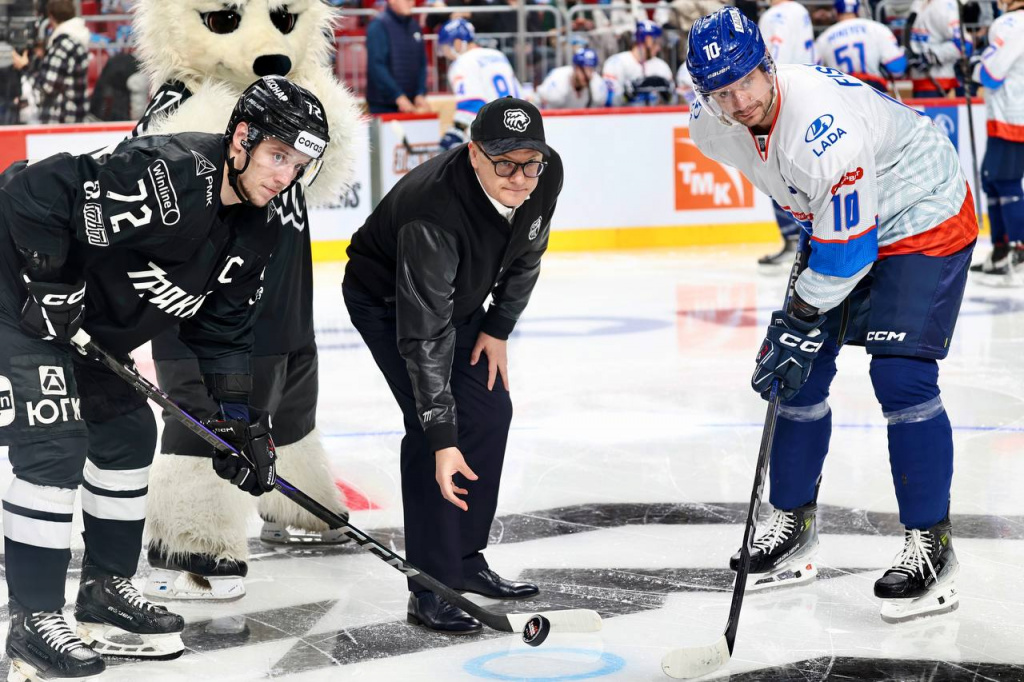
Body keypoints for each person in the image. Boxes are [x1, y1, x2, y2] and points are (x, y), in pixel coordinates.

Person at [0, 75, 330, 679]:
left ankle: (105, 588)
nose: (286, 174)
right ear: (242, 138)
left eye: (300, 163)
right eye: (278, 155)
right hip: (14, 301)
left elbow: (224, 331)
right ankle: (32, 619)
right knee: (53, 447)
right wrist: (49, 280)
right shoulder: (172, 177)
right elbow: (30, 191)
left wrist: (237, 423)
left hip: (83, 329)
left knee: (126, 434)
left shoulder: (259, 227)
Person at [687, 8, 976, 623]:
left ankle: (933, 549)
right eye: (721, 92)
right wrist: (800, 321)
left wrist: (797, 311)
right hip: (840, 220)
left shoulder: (821, 126)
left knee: (901, 377)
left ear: (768, 67)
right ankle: (792, 524)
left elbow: (849, 256)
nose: (738, 102)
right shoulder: (709, 128)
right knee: (801, 372)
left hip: (921, 208)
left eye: (746, 82)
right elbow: (812, 207)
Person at [343, 97, 563, 633]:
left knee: (490, 412)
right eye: (504, 163)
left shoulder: (544, 174)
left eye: (529, 161)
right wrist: (443, 436)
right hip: (393, 303)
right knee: (431, 428)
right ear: (473, 154)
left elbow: (528, 252)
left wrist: (497, 327)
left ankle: (465, 560)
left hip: (457, 300)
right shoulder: (432, 214)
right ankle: (432, 585)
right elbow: (425, 337)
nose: (519, 177)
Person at [756, 0, 814, 270]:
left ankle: (794, 240)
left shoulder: (774, 15)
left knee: (774, 170)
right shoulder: (801, 10)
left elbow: (770, 58)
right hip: (809, 94)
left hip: (782, 99)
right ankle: (812, 239)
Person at [969, 0, 1024, 281]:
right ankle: (1002, 249)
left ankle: (1016, 248)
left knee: (1002, 180)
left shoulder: (1011, 23)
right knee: (992, 177)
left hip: (1012, 116)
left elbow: (990, 75)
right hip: (1010, 114)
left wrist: (972, 67)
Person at [437, 19, 523, 150]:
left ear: (457, 43)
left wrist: (456, 133)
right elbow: (522, 95)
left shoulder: (462, 63)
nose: (445, 54)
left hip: (493, 136)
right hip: (519, 127)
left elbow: (472, 104)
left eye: (446, 48)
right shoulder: (498, 55)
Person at [11, 0, 90, 124]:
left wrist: (25, 66)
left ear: (51, 16)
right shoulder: (74, 40)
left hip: (62, 121)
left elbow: (47, 87)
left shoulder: (63, 45)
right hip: (72, 119)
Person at [816, 0, 906, 92]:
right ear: (858, 9)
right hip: (873, 87)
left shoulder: (824, 38)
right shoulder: (877, 28)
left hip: (841, 91)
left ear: (836, 11)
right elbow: (897, 68)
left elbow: (813, 75)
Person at [366, 0, 429, 114]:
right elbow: (376, 66)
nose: (412, 4)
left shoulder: (415, 26)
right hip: (383, 106)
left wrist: (420, 93)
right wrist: (397, 95)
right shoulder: (378, 26)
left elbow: (422, 63)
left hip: (411, 103)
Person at [903, 0, 970, 97]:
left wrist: (932, 56)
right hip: (918, 81)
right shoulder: (918, 3)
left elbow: (964, 44)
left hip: (940, 82)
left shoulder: (946, 5)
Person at [601, 20, 675, 107]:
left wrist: (668, 95)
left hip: (655, 118)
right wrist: (627, 94)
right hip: (625, 118)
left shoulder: (662, 66)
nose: (658, 48)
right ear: (648, 40)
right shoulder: (616, 63)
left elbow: (674, 102)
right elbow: (608, 102)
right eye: (656, 42)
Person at [537, 47, 607, 109]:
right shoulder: (559, 78)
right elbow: (540, 102)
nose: (588, 75)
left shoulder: (597, 85)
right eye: (585, 70)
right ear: (575, 68)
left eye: (591, 70)